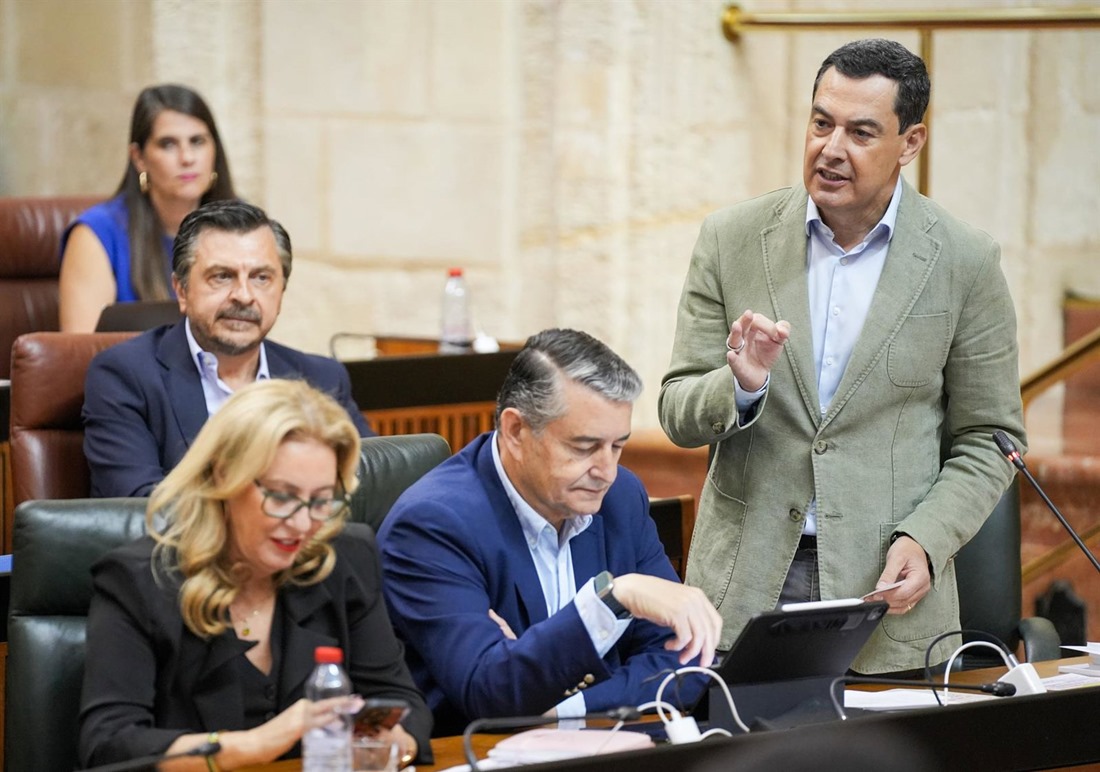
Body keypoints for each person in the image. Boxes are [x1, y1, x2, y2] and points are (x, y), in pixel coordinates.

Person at [658, 38, 1026, 675]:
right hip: (744, 590)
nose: (830, 149)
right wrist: (739, 385)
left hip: (886, 595)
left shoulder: (965, 262)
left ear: (910, 143)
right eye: (821, 122)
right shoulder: (731, 239)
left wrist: (928, 539)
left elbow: (991, 439)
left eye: (861, 132)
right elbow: (676, 410)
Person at [378, 328, 722, 736]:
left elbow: (685, 664)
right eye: (583, 447)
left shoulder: (620, 497)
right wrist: (613, 601)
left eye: (617, 446)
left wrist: (561, 708)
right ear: (516, 432)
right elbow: (490, 693)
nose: (606, 472)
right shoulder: (432, 525)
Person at [79, 379, 431, 769]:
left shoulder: (344, 560)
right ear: (223, 476)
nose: (301, 524)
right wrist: (255, 745)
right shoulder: (140, 580)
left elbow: (403, 705)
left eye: (321, 500)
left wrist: (394, 744)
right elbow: (109, 745)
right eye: (281, 496)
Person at [83, 199, 374, 499]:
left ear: (281, 291)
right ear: (182, 290)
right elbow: (137, 505)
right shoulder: (125, 375)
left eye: (262, 278)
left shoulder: (321, 379)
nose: (244, 296)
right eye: (222, 276)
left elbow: (374, 485)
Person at [60, 84, 237, 332]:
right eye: (168, 144)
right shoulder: (97, 233)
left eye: (197, 141)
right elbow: (80, 353)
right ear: (139, 158)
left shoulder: (240, 227)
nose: (187, 158)